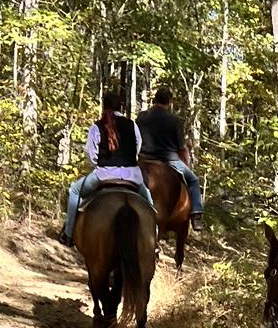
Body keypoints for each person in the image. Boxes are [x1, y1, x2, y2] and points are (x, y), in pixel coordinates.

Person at [60, 88, 156, 246]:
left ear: (104, 107)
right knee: (150, 204)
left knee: (75, 191)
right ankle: (154, 242)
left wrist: (102, 164)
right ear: (121, 107)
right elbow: (137, 149)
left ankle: (68, 234)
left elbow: (92, 155)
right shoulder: (132, 126)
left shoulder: (97, 127)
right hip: (132, 176)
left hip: (104, 175)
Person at [136, 85, 205, 221]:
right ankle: (196, 213)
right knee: (193, 180)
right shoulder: (174, 120)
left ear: (154, 100)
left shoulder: (142, 117)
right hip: (169, 160)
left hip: (143, 158)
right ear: (169, 102)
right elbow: (180, 147)